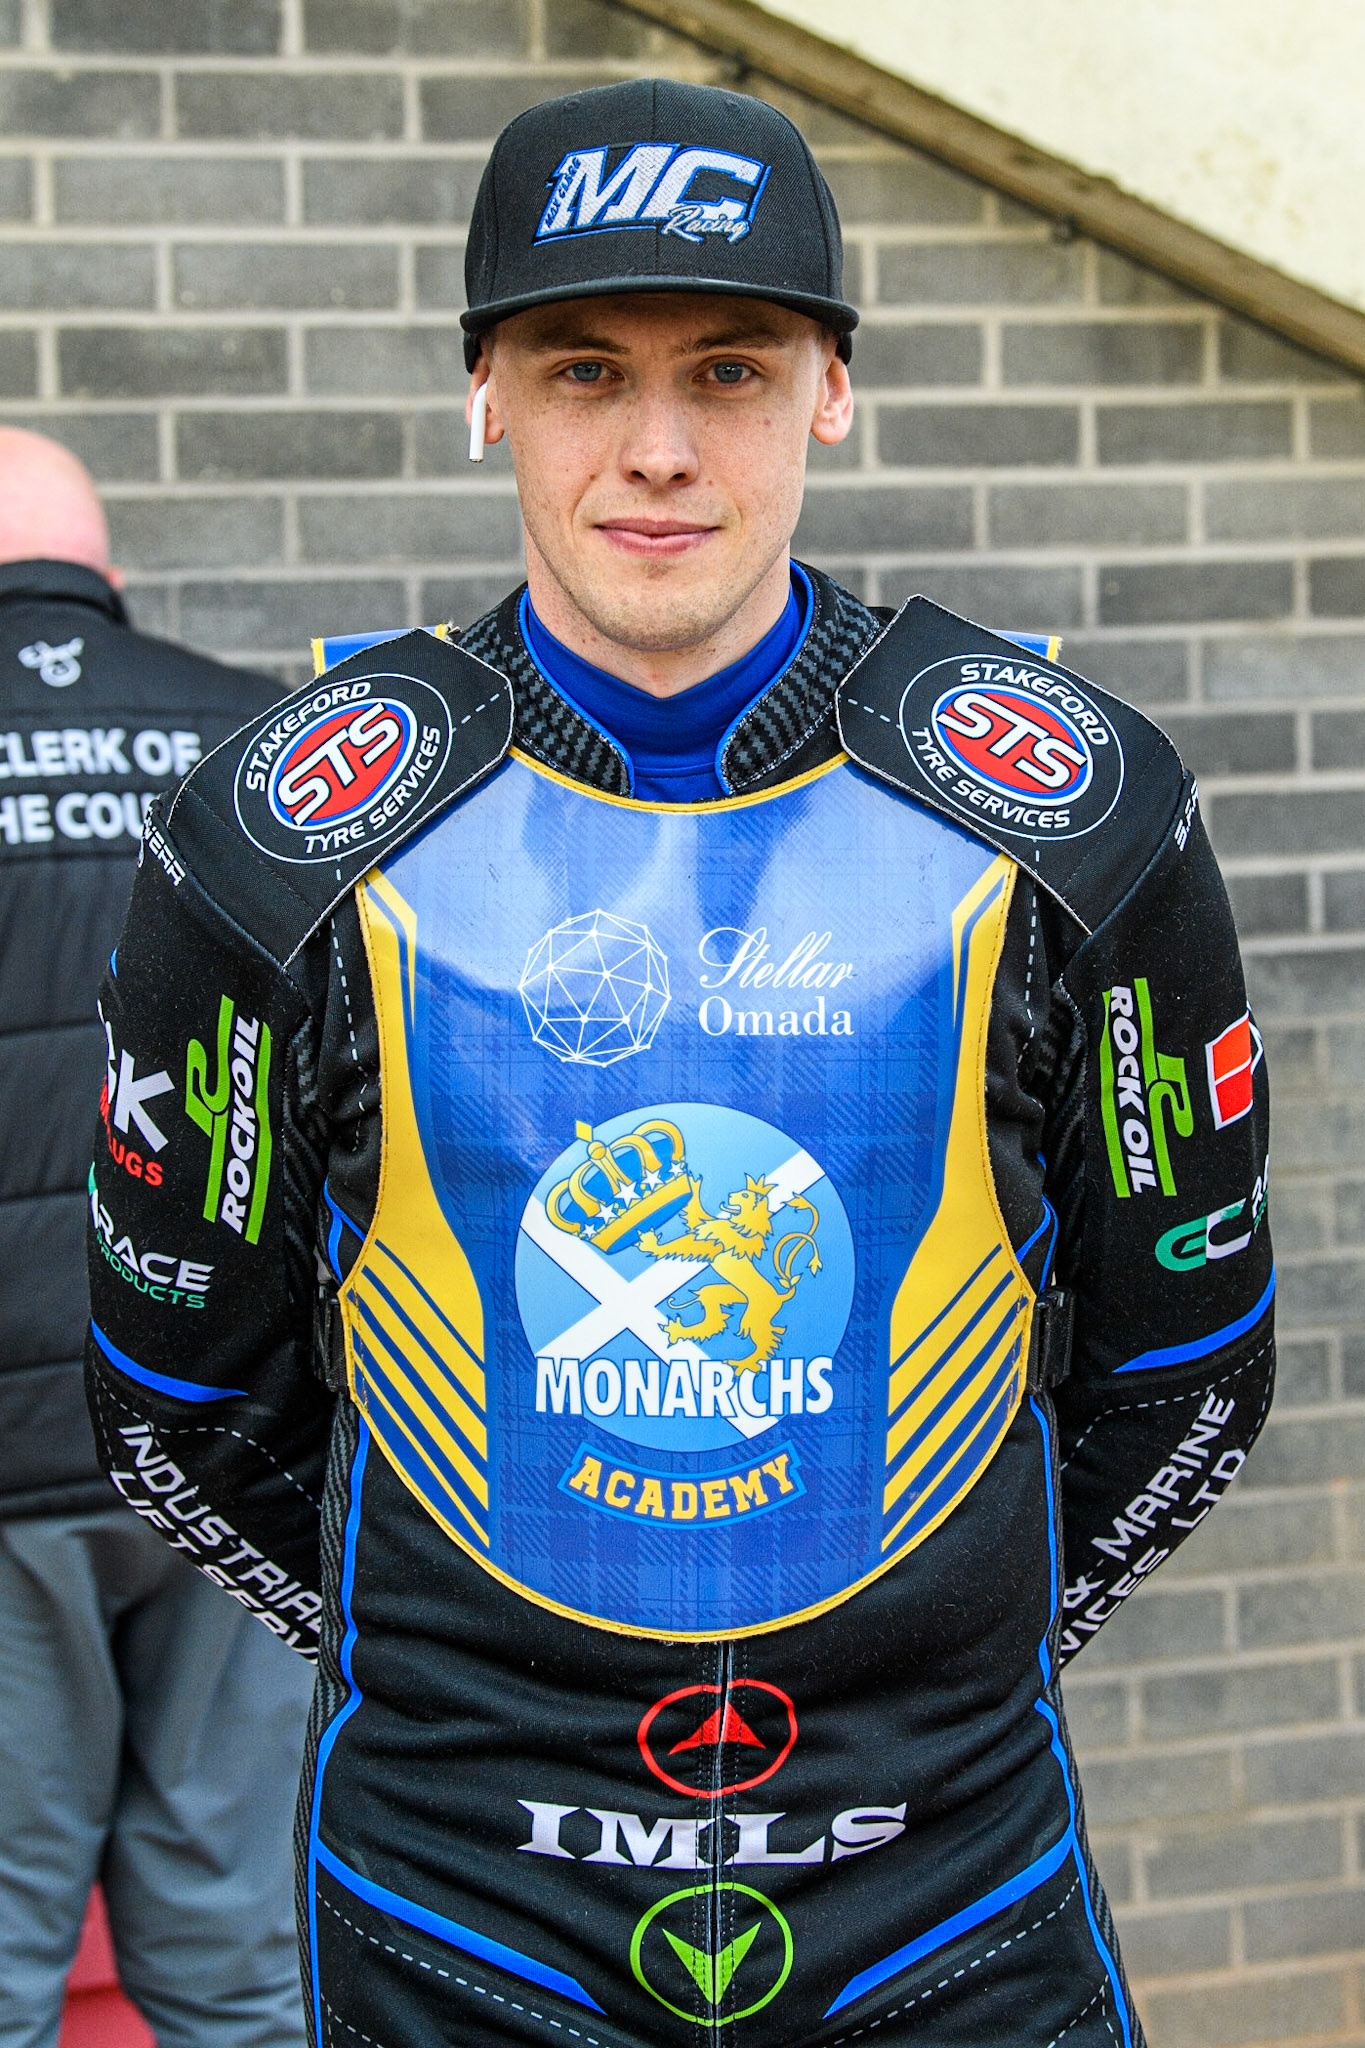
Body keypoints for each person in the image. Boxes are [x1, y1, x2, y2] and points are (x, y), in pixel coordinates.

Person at [85, 81, 1275, 2048]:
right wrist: (465, 1664)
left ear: (828, 387)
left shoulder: (1071, 812)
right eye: (580, 368)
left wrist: (929, 1658)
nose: (654, 447)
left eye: (726, 367)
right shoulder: (274, 839)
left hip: (946, 1900)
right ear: (486, 389)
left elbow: (1193, 1368)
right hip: (462, 1907)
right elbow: (168, 1404)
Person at [0, 428, 313, 2048]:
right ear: (102, 567)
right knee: (234, 1950)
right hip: (228, 1439)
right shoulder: (258, 749)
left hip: (5, 1471)